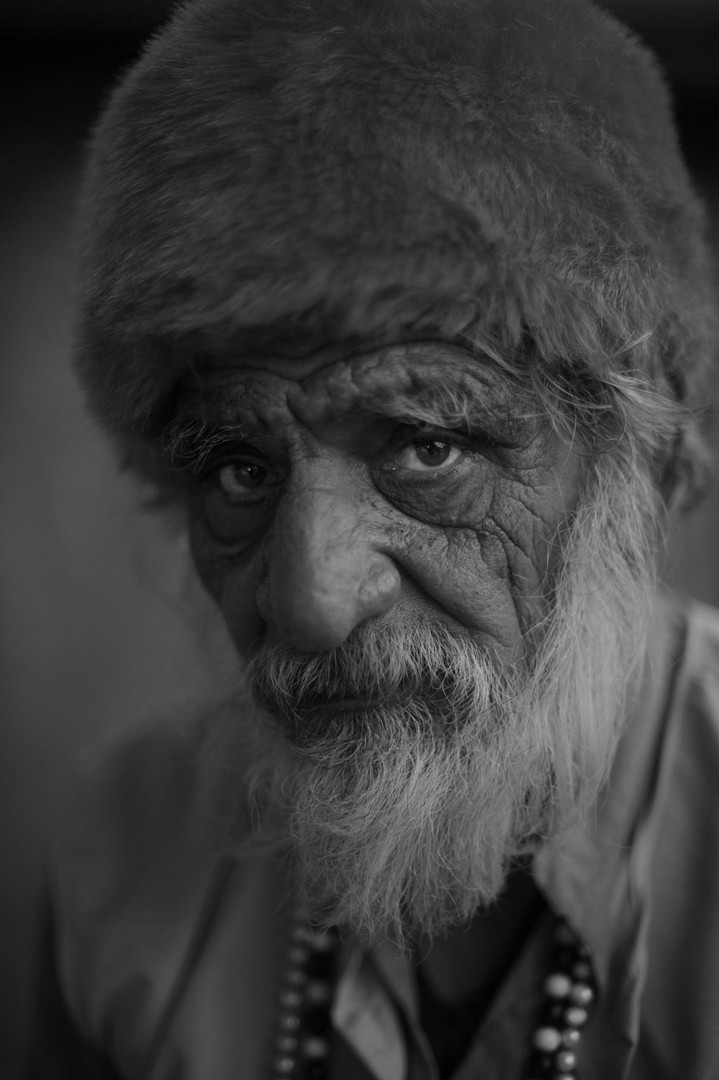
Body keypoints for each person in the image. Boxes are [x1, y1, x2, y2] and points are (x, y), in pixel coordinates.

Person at [24, 0, 719, 1077]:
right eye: (240, 470)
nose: (308, 601)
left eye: (426, 448)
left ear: (648, 470)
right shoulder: (121, 852)